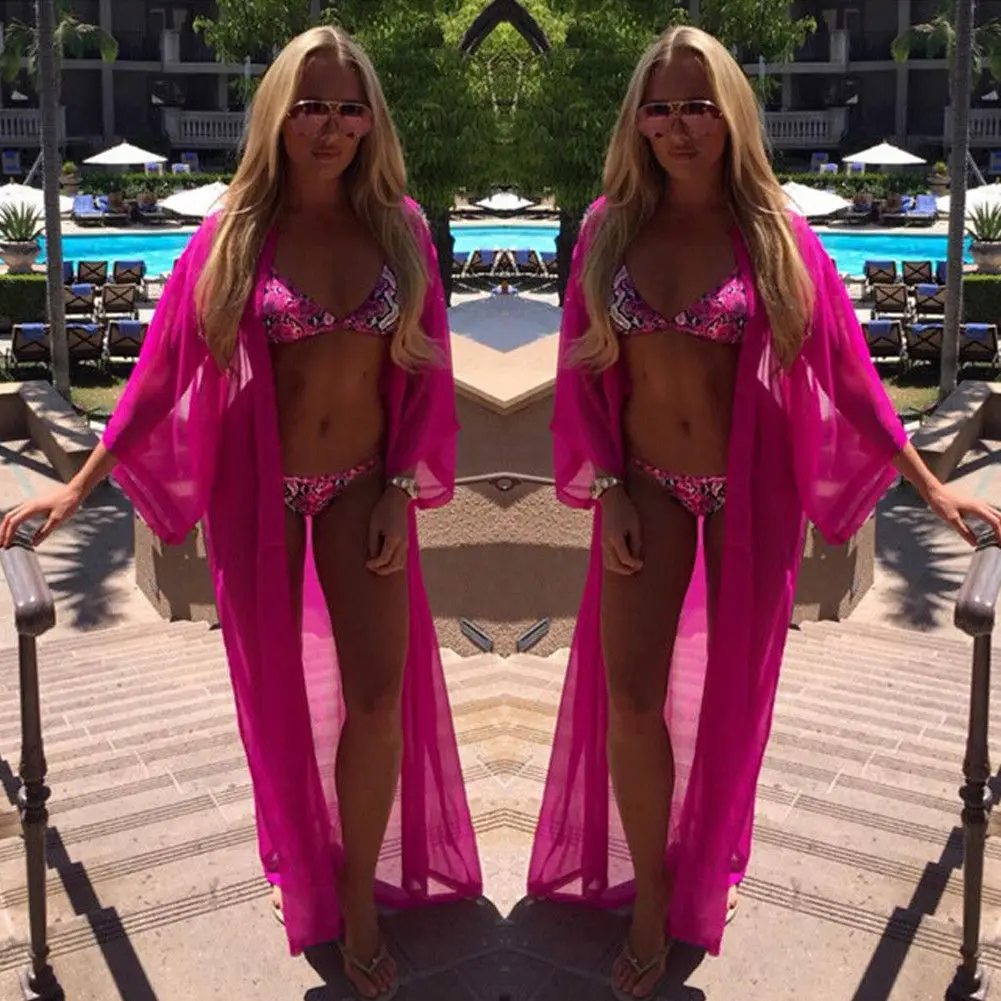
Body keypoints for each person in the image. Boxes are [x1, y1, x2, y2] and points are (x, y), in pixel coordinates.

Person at [0, 25, 482, 1001]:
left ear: (370, 120)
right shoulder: (233, 236)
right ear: (276, 116)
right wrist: (79, 485)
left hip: (361, 488)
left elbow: (426, 370)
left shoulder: (399, 229)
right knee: (279, 706)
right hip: (260, 492)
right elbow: (160, 373)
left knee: (376, 700)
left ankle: (357, 896)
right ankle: (306, 868)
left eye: (348, 108)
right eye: (310, 107)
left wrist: (399, 485)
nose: (330, 127)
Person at [526, 24, 1001, 1001]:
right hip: (645, 487)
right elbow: (579, 369)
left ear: (730, 114)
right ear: (637, 120)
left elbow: (847, 373)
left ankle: (702, 871)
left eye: (697, 106)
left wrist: (928, 485)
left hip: (748, 492)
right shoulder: (607, 229)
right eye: (659, 107)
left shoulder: (774, 235)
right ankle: (650, 899)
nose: (677, 125)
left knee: (729, 706)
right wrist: (608, 483)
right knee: (631, 699)